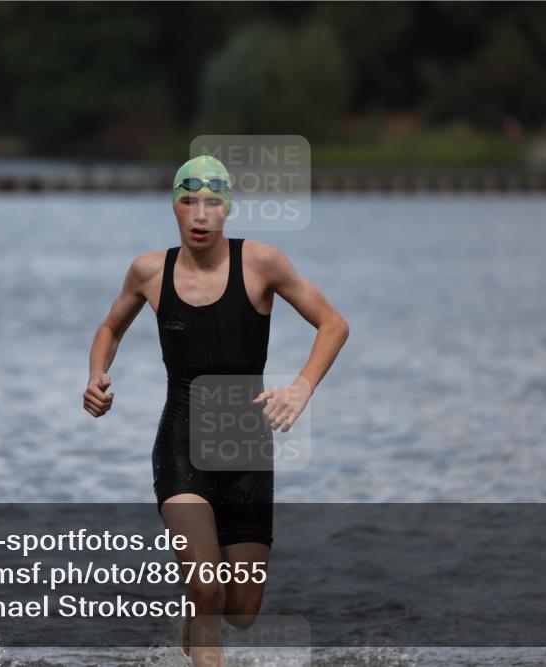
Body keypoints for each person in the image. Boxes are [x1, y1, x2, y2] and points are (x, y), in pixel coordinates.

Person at [83, 155, 348, 665]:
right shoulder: (148, 272)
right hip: (180, 443)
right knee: (206, 586)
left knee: (241, 610)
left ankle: (197, 625)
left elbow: (333, 324)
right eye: (188, 202)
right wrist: (96, 373)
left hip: (247, 449)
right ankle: (201, 620)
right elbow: (110, 327)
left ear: (227, 209)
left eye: (211, 203)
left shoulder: (263, 263)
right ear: (174, 209)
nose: (200, 214)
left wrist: (301, 388)